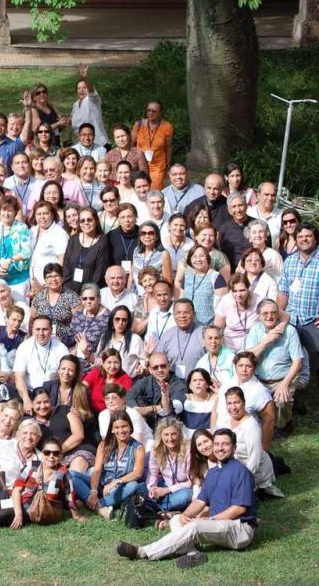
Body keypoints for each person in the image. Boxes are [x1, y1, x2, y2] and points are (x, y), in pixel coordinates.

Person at [116, 428, 257, 570]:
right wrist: (185, 515)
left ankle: (143, 552)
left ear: (234, 447)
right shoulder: (213, 473)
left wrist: (210, 520)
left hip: (240, 529)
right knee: (177, 520)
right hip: (221, 524)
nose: (220, 448)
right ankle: (192, 553)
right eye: (217, 444)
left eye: (225, 444)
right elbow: (200, 502)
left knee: (195, 526)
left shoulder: (241, 472)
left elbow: (239, 509)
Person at [73, 410, 146, 519]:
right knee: (71, 475)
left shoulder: (138, 448)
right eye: (117, 427)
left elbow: (137, 473)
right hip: (101, 486)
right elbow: (97, 470)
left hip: (120, 488)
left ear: (130, 427)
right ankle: (98, 507)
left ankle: (96, 503)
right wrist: (93, 492)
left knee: (133, 485)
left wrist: (116, 482)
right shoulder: (104, 445)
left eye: (124, 426)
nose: (121, 430)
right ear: (112, 429)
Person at [245, 299, 304, 433]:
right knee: (250, 401)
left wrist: (285, 383)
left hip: (284, 378)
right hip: (260, 380)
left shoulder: (290, 331)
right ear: (259, 316)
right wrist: (266, 341)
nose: (269, 316)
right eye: (265, 313)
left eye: (273, 313)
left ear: (278, 314)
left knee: (282, 400)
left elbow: (297, 362)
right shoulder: (255, 330)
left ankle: (283, 426)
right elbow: (249, 358)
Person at [277, 222, 319, 382]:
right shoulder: (289, 261)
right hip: (291, 319)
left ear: (316, 239)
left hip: (313, 320)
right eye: (300, 236)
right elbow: (283, 291)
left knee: (316, 357)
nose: (304, 239)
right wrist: (279, 315)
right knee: (289, 358)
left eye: (308, 236)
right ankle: (297, 391)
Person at [13, 316, 70, 415]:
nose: (41, 333)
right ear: (32, 330)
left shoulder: (61, 348)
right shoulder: (24, 347)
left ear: (51, 330)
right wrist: (26, 400)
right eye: (37, 329)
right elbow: (19, 377)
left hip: (53, 394)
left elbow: (67, 375)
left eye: (45, 329)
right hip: (30, 393)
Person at [126, 352, 187, 429]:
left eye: (163, 366)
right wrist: (151, 408)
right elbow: (129, 396)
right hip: (148, 427)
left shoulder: (179, 384)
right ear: (150, 370)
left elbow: (174, 408)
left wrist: (148, 409)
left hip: (170, 427)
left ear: (169, 365)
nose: (160, 370)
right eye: (155, 368)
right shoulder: (145, 381)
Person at [145, 417, 193, 514]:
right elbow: (153, 474)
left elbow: (191, 482)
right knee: (138, 488)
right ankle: (156, 504)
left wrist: (167, 490)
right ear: (160, 435)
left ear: (179, 434)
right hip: (165, 485)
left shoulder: (188, 449)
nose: (170, 439)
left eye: (173, 434)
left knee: (187, 495)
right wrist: (152, 488)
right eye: (166, 435)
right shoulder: (156, 448)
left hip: (182, 489)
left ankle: (152, 507)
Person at [61, 206, 111, 294]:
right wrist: (70, 290)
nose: (86, 223)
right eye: (82, 220)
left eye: (89, 220)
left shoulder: (102, 243)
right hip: (70, 292)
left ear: (96, 221)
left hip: (90, 295)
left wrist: (87, 293)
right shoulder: (73, 239)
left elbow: (99, 273)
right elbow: (66, 267)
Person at [31, 263, 81, 347]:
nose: (53, 279)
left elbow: (79, 323)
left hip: (66, 343)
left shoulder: (71, 296)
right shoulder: (39, 297)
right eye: (49, 276)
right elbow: (32, 320)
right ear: (45, 280)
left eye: (57, 276)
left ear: (62, 278)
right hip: (42, 341)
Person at [82, 348, 132, 413]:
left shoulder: (125, 379)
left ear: (120, 364)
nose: (112, 366)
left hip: (113, 413)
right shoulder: (97, 372)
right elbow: (83, 386)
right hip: (91, 411)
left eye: (116, 363)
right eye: (109, 362)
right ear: (103, 364)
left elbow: (125, 400)